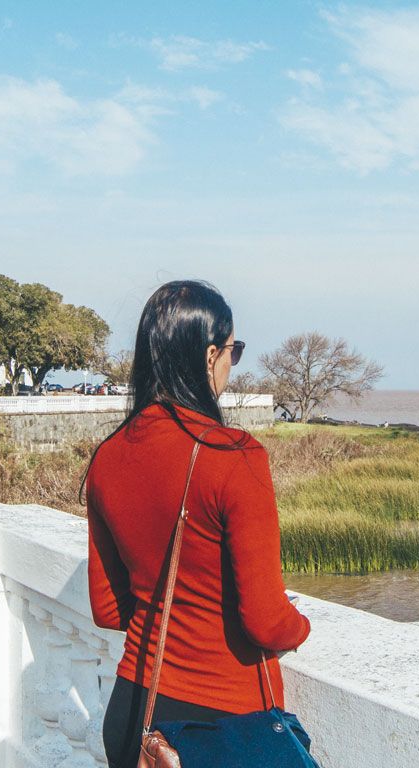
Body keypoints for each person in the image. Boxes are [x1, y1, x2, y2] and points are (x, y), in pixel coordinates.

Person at [85, 280, 311, 768]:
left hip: (133, 718)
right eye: (235, 350)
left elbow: (107, 609)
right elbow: (267, 622)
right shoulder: (233, 456)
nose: (233, 363)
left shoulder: (107, 457)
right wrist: (301, 625)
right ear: (211, 355)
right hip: (221, 728)